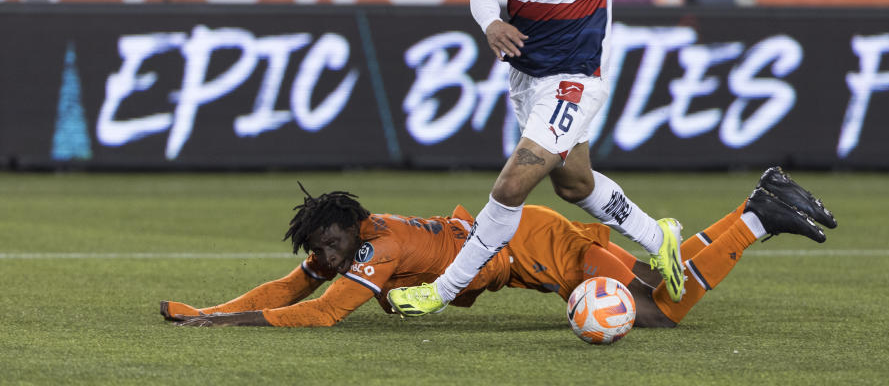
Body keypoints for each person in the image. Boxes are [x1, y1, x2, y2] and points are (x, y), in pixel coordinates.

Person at [386, 0, 771, 318]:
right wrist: (489, 25)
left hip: (577, 76)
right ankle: (659, 236)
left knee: (512, 185)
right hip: (528, 75)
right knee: (574, 183)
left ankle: (443, 291)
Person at [161, 168, 836, 328]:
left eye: (332, 248)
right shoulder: (347, 242)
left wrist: (220, 322)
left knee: (660, 307)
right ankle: (761, 205)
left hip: (534, 246)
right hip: (514, 251)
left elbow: (320, 312)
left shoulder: (378, 246)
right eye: (321, 252)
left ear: (355, 230)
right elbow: (292, 289)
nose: (327, 261)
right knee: (661, 281)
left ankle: (757, 219)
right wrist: (206, 314)